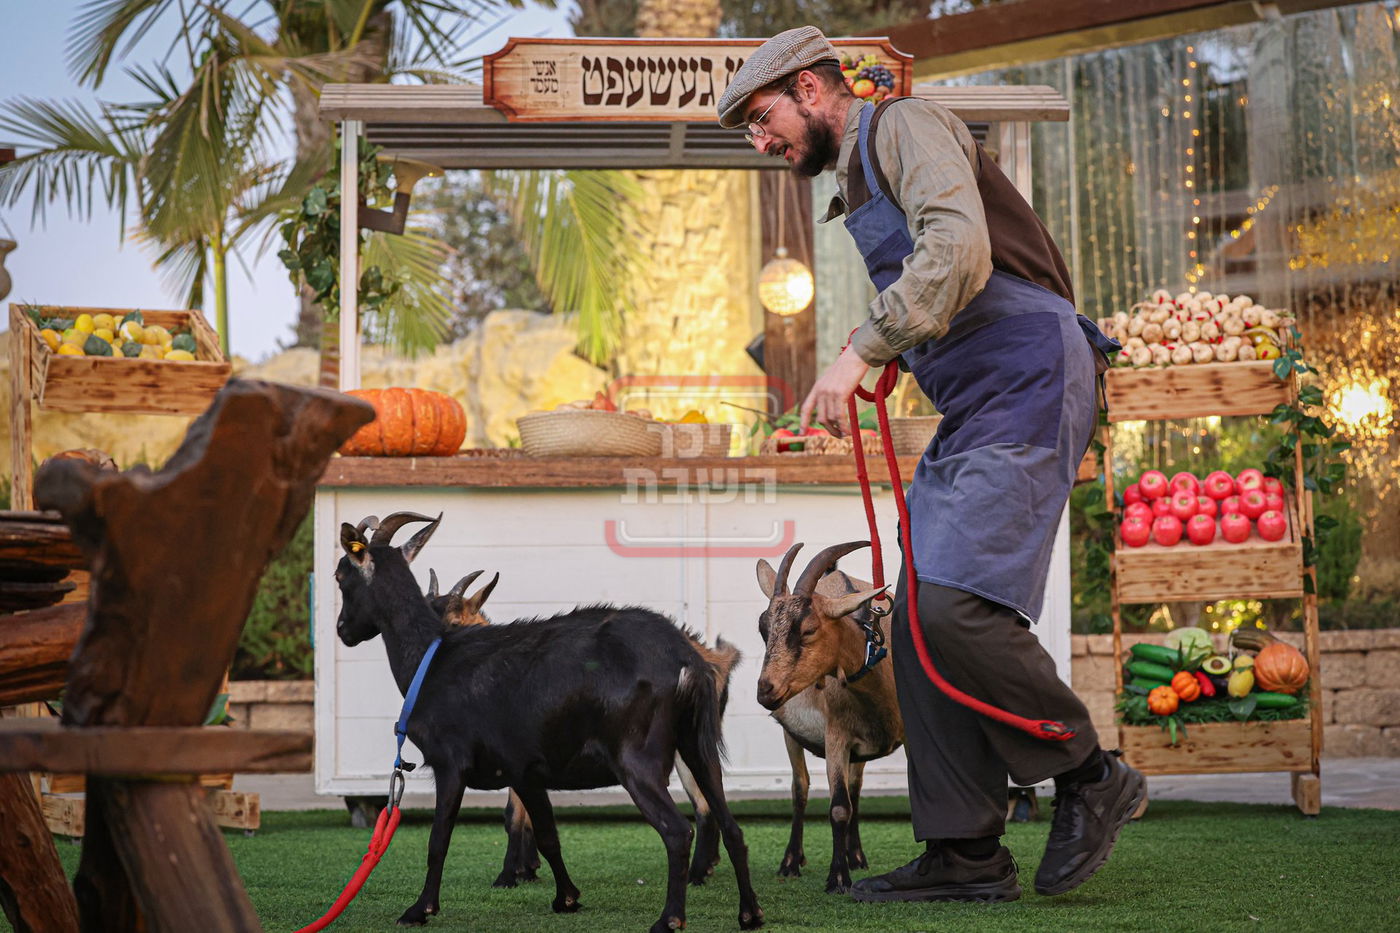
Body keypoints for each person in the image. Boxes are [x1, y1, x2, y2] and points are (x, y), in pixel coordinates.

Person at [717, 27, 1142, 903]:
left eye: (762, 120)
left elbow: (959, 251)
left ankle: (1090, 772)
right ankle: (964, 851)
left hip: (1029, 380)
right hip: (977, 405)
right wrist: (879, 359)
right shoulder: (856, 176)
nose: (761, 143)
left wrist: (862, 350)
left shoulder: (900, 124)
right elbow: (941, 297)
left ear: (809, 86)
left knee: (953, 606)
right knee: (913, 613)